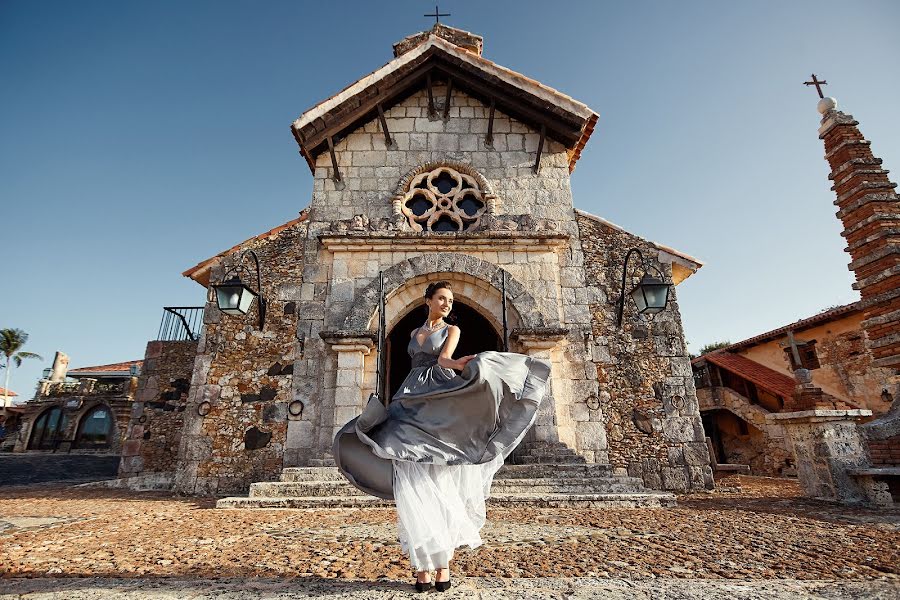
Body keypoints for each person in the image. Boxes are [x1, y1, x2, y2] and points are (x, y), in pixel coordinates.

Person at [333, 280, 551, 592]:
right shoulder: (411, 334)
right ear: (428, 300)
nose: (448, 304)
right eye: (442, 298)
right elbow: (417, 362)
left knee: (437, 483)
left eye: (450, 300)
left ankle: (442, 565)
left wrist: (465, 363)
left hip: (437, 397)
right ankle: (423, 566)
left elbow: (444, 361)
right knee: (409, 480)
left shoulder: (452, 330)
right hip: (408, 398)